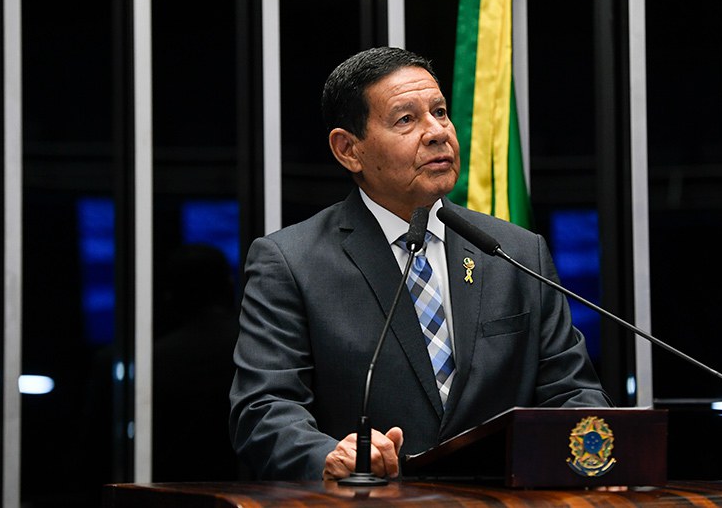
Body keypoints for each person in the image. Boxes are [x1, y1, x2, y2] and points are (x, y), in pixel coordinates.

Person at [228, 46, 612, 481]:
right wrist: (327, 454)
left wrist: (599, 441)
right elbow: (263, 410)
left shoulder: (517, 252)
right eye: (406, 119)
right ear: (348, 150)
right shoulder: (291, 261)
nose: (436, 132)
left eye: (440, 112)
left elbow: (571, 392)